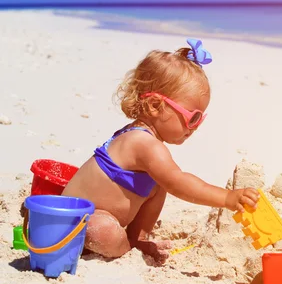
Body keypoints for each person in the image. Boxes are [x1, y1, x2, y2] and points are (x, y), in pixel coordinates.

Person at [62, 38, 260, 263]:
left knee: (157, 183)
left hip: (102, 217)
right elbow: (179, 183)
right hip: (76, 222)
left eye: (200, 119)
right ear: (155, 106)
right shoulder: (142, 143)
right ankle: (126, 248)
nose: (194, 127)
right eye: (192, 118)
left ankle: (138, 237)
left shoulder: (142, 136)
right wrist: (227, 197)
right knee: (105, 231)